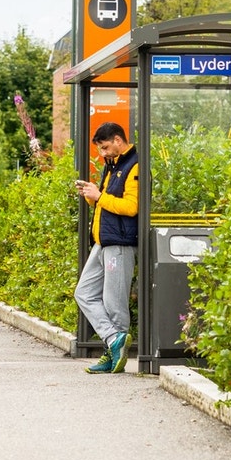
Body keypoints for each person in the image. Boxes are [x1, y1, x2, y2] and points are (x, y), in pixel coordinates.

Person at [74, 121, 138, 374]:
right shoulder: (112, 166)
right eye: (100, 149)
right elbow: (109, 205)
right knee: (84, 292)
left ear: (118, 140)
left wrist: (100, 196)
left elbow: (132, 207)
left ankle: (112, 356)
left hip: (120, 243)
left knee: (114, 303)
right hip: (102, 242)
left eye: (105, 147)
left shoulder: (133, 165)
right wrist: (94, 198)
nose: (102, 153)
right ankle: (113, 341)